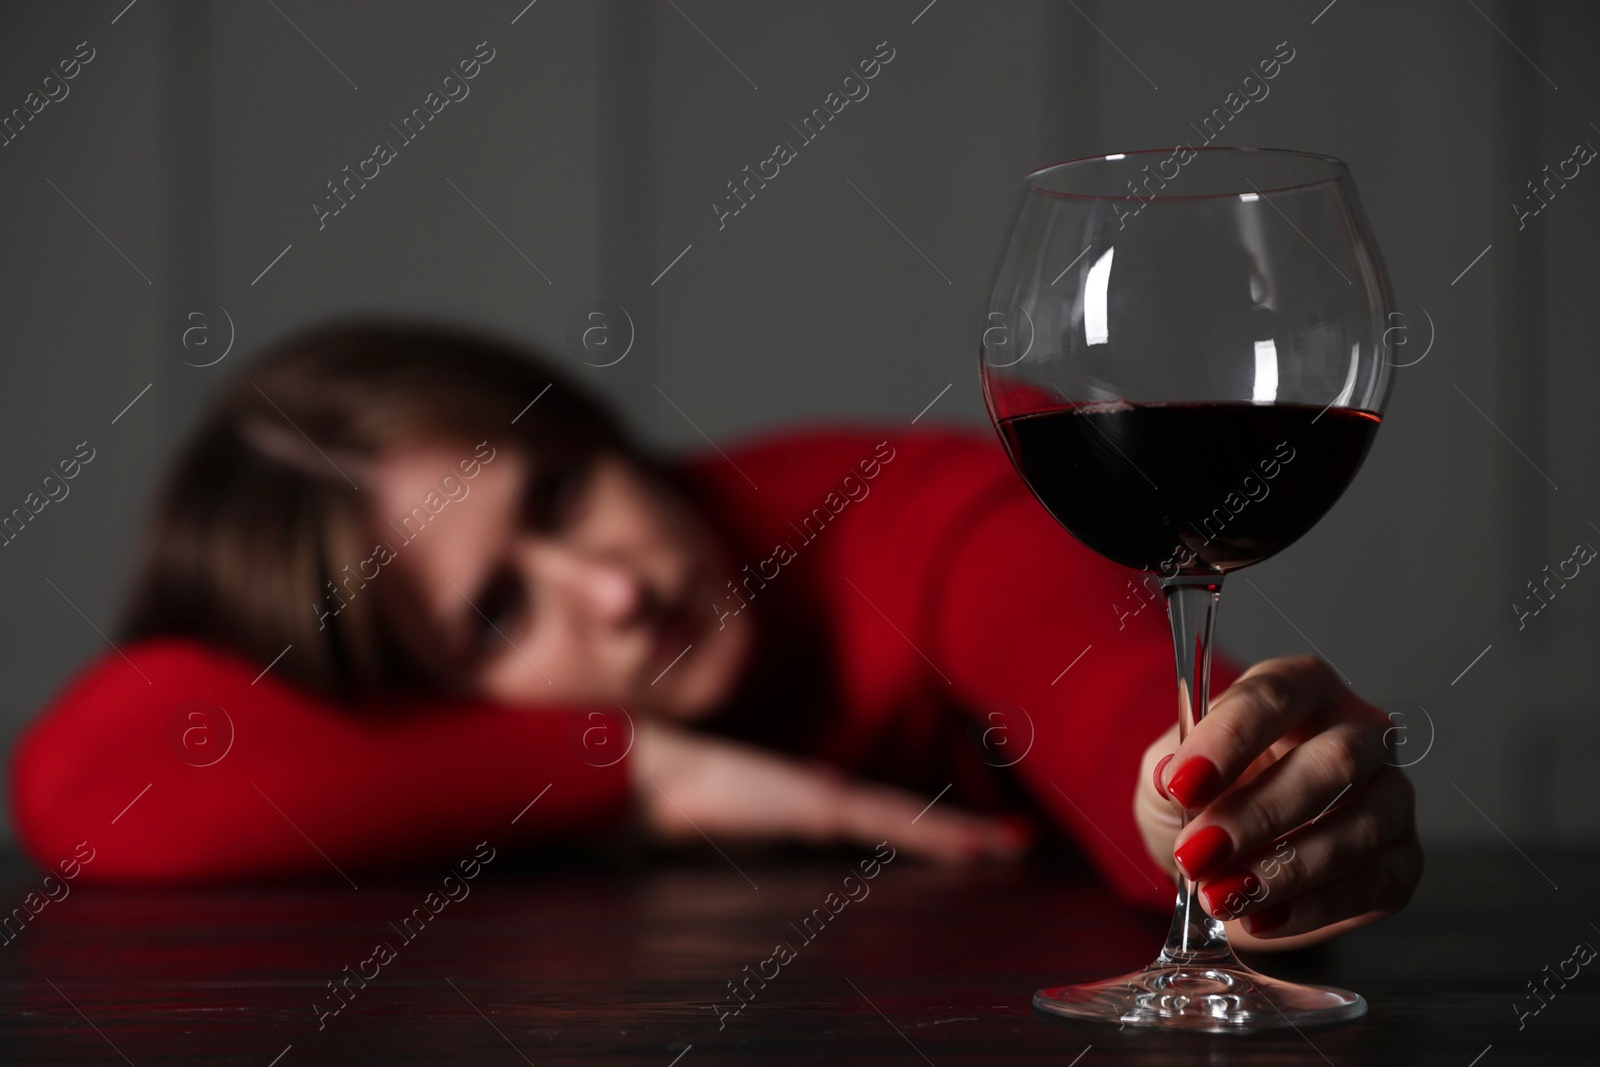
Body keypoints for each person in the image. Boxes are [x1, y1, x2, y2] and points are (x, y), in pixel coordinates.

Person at [8, 320, 1420, 950]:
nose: (612, 589)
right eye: (499, 610)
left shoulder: (886, 517)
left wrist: (1218, 805)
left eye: (561, 491)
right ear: (414, 690)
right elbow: (85, 780)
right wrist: (645, 770)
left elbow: (1113, 694)